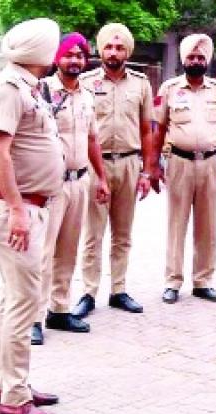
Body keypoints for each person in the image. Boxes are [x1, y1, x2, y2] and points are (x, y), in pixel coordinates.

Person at [0, 17, 62, 414]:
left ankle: (9, 382)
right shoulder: (8, 89)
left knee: (14, 298)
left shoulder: (27, 86)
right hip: (19, 210)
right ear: (41, 52)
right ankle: (15, 398)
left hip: (33, 207)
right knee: (23, 302)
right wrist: (16, 210)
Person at [31, 33, 111, 345]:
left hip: (80, 181)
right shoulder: (44, 93)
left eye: (80, 55)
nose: (74, 60)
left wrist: (101, 179)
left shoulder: (88, 96)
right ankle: (33, 318)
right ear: (57, 59)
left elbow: (93, 140)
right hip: (51, 184)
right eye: (69, 55)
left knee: (68, 249)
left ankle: (59, 309)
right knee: (44, 252)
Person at [72, 23, 155, 319]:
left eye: (120, 47)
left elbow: (147, 130)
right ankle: (88, 293)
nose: (114, 52)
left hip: (130, 163)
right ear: (100, 50)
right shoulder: (85, 82)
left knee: (123, 233)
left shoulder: (141, 84)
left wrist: (148, 171)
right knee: (93, 233)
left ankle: (119, 290)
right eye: (108, 46)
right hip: (96, 165)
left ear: (127, 52)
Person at [151, 33, 216, 304]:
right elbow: (159, 129)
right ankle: (172, 281)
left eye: (201, 57)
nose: (196, 61)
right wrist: (152, 166)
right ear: (183, 60)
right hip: (179, 162)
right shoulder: (169, 89)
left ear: (206, 61)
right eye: (191, 57)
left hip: (211, 162)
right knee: (176, 223)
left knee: (207, 224)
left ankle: (203, 281)